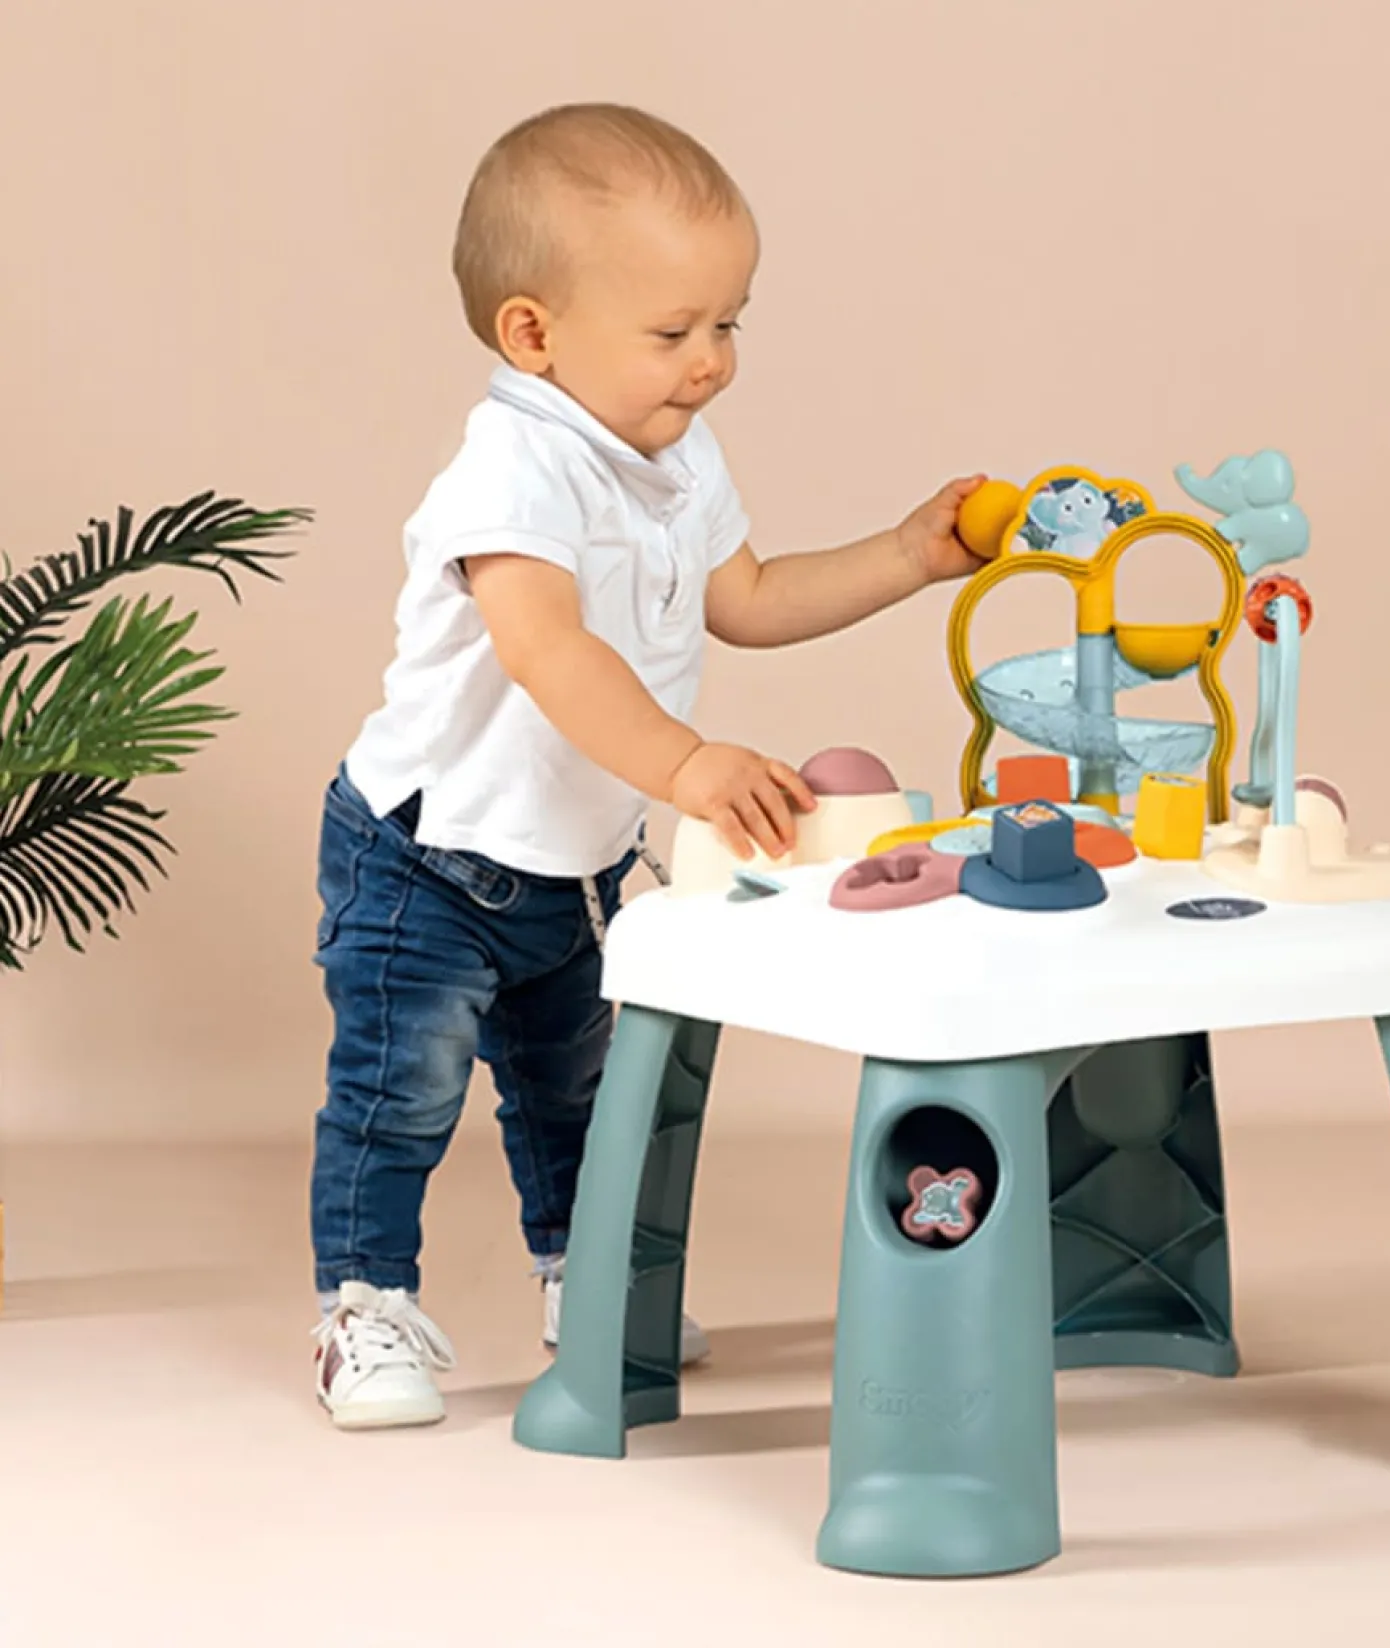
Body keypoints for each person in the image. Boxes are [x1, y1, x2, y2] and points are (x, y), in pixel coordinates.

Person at [309, 101, 983, 1429]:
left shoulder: (673, 454)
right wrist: (685, 765)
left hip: (571, 863)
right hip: (427, 858)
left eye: (730, 324)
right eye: (674, 334)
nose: (712, 363)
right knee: (401, 1094)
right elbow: (549, 651)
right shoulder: (511, 468)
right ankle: (363, 1308)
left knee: (577, 1092)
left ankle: (592, 1282)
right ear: (533, 335)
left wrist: (909, 556)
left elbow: (751, 597)